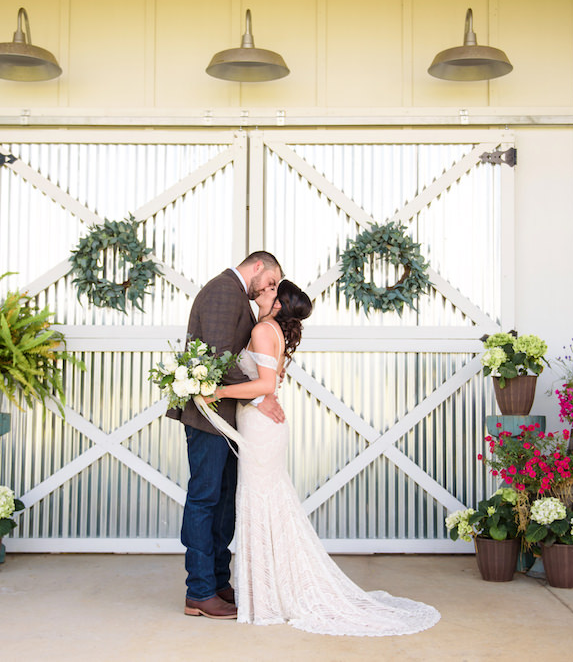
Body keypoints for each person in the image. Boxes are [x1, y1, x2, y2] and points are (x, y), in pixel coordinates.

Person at [201, 280, 441, 636]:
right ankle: (267, 591)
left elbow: (267, 385)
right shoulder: (271, 329)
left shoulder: (264, 330)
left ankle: (268, 595)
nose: (261, 293)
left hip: (261, 428)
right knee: (265, 502)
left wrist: (215, 390)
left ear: (279, 305)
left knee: (261, 501)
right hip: (260, 426)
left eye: (269, 291)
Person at [168, 251, 284, 620]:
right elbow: (217, 358)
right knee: (205, 499)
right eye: (270, 282)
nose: (271, 289)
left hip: (227, 418)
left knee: (222, 503)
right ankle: (199, 591)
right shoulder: (223, 289)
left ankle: (218, 581)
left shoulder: (238, 294)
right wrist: (260, 393)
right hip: (208, 416)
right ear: (256, 267)